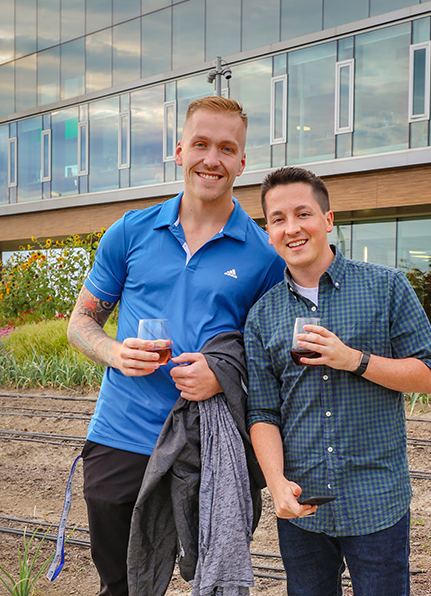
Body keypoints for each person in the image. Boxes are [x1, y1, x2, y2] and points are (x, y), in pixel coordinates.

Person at [66, 96, 285, 596]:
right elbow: (81, 322)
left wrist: (221, 374)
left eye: (227, 148)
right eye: (202, 144)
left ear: (242, 162)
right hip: (122, 435)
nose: (213, 159)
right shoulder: (131, 231)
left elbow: (270, 355)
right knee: (121, 584)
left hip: (210, 444)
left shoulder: (262, 254)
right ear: (180, 150)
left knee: (210, 581)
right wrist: (114, 352)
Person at [244, 166, 431, 596]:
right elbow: (262, 411)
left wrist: (352, 359)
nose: (292, 228)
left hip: (376, 499)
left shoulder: (386, 286)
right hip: (303, 502)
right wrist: (276, 483)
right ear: (268, 231)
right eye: (278, 219)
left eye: (303, 214)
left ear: (328, 220)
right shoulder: (262, 315)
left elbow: (428, 376)